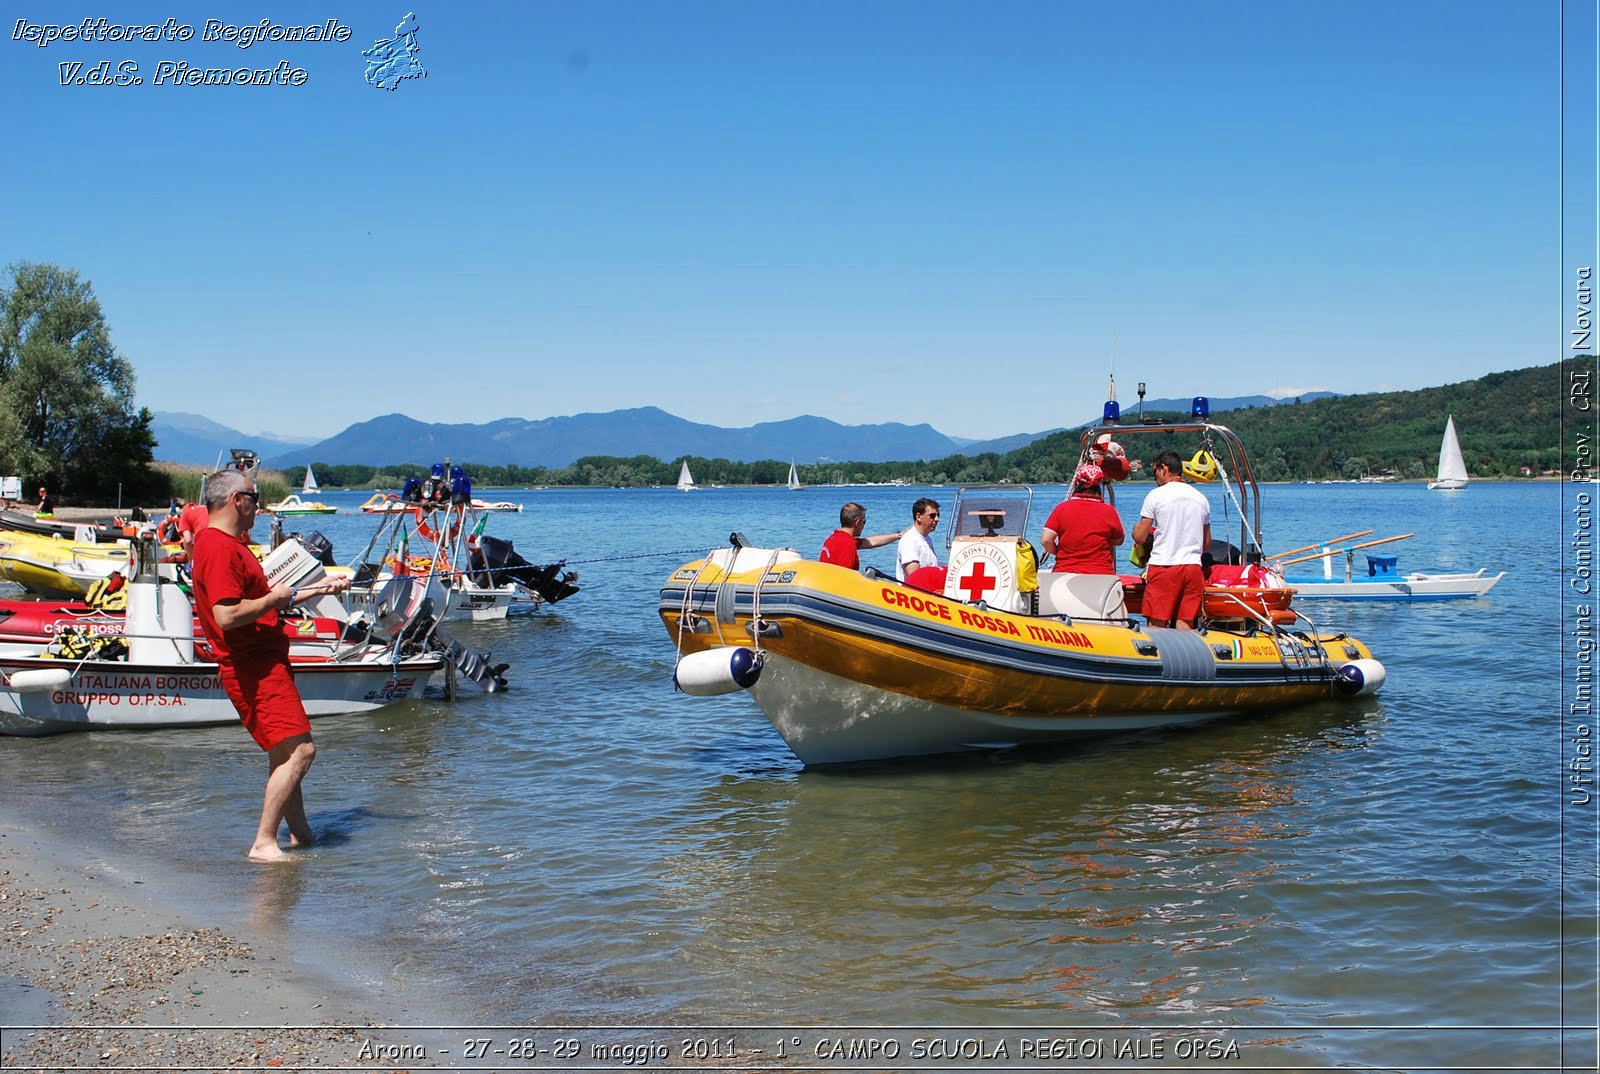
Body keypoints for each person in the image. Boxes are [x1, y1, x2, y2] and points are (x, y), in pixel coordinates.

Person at [190, 468, 351, 862]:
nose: (258, 506)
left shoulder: (227, 543)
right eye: (254, 498)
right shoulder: (218, 547)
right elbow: (227, 615)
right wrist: (275, 599)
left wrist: (318, 588)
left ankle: (302, 835)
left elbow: (264, 600)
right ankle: (263, 842)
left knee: (284, 754)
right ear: (235, 499)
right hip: (252, 667)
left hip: (264, 662)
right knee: (302, 753)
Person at [1131, 450, 1212, 630]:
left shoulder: (1156, 495)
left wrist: (1135, 531)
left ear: (1164, 468)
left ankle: (1156, 657)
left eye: (1155, 472)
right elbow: (1206, 544)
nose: (1155, 477)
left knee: (1156, 623)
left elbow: (1140, 537)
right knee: (1186, 622)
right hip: (1192, 567)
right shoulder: (1201, 498)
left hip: (1164, 565)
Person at [1040, 463, 1125, 575]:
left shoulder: (1061, 508)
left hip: (1065, 572)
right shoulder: (1109, 511)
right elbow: (1119, 540)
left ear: (1077, 483)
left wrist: (1058, 552)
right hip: (1101, 574)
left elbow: (1046, 540)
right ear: (1099, 484)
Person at [819, 502, 902, 570]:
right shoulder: (847, 544)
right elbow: (845, 578)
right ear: (858, 522)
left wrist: (899, 535)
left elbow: (871, 542)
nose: (864, 524)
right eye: (864, 521)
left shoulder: (833, 539)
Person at [896, 497, 941, 582]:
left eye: (938, 515)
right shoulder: (910, 540)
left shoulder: (927, 539)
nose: (937, 519)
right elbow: (914, 578)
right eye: (932, 516)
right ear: (919, 517)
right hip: (912, 594)